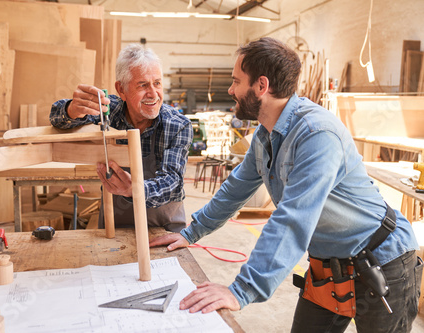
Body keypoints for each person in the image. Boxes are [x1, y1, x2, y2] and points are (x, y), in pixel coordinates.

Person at [150, 37, 422, 332]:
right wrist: (191, 233)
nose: (230, 90)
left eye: (236, 81)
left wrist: (240, 290)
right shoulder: (265, 135)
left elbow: (293, 219)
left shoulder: (316, 135)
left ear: (261, 86)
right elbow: (235, 189)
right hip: (329, 267)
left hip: (382, 261)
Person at [50, 44, 193, 232]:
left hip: (165, 228)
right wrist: (72, 110)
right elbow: (56, 117)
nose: (153, 94)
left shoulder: (177, 125)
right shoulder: (108, 112)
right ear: (121, 89)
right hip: (114, 226)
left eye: (157, 83)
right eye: (142, 85)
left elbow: (172, 183)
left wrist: (133, 189)